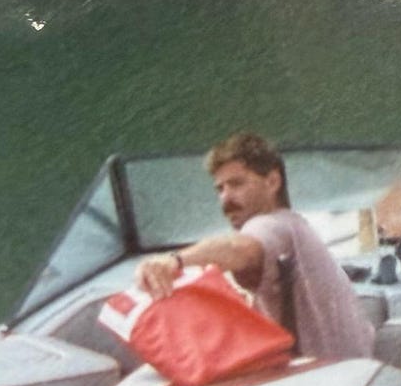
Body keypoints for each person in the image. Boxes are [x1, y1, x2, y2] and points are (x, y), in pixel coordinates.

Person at [134, 131, 376, 359]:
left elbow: (239, 249)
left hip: (321, 380)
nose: (225, 199)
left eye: (237, 184)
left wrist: (173, 261)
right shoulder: (294, 225)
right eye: (220, 188)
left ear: (272, 182)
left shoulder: (273, 226)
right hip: (348, 368)